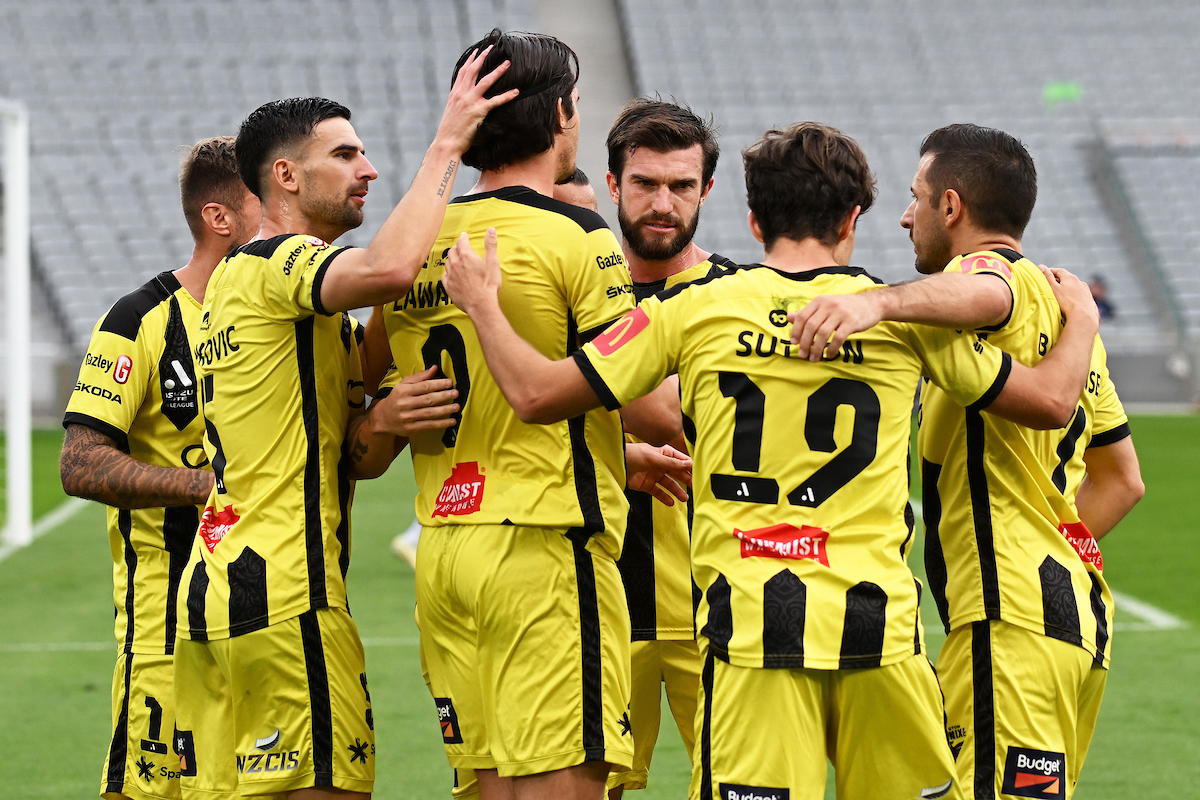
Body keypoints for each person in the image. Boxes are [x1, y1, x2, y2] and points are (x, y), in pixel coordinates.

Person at [439, 121, 1102, 800]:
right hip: (880, 641)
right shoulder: (903, 321)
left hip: (755, 631)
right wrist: (1082, 320)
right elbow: (1050, 401)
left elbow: (535, 394)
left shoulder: (691, 309)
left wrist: (485, 308)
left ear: (753, 221)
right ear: (852, 218)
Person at [346, 28, 682, 800]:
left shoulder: (419, 242)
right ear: (563, 116)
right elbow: (652, 405)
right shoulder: (577, 235)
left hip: (446, 551)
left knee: (491, 786)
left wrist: (388, 422)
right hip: (545, 552)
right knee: (564, 786)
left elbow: (357, 407)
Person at [171, 50, 515, 800]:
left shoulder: (246, 287)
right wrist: (447, 145)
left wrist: (383, 418)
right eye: (346, 154)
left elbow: (348, 454)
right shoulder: (278, 265)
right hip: (287, 588)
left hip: (222, 579)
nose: (368, 170)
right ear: (286, 178)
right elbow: (392, 268)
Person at [787, 123, 1144, 798]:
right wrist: (1051, 554)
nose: (903, 214)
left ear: (951, 208)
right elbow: (1123, 482)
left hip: (1007, 624)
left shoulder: (980, 282)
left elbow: (987, 290)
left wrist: (876, 304)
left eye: (916, 197)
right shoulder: (1070, 320)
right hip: (1071, 623)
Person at [59, 137, 260, 800]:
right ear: (219, 218)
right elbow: (81, 463)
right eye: (268, 201)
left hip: (272, 613)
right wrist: (210, 488)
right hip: (167, 624)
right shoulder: (140, 319)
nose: (284, 219)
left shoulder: (279, 316)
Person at [600, 98, 734, 799]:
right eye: (646, 183)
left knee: (742, 787)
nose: (663, 203)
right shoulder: (572, 290)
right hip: (597, 600)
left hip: (716, 603)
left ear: (706, 191)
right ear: (614, 183)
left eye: (681, 187)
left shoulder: (738, 296)